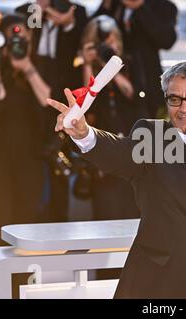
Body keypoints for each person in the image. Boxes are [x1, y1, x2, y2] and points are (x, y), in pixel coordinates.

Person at [48, 61, 186, 298]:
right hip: (157, 289)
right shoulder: (151, 139)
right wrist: (84, 134)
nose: (184, 108)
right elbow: (118, 152)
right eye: (175, 99)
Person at [16, 0, 87, 221]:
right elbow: (23, 44)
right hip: (29, 100)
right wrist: (38, 13)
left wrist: (66, 23)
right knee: (32, 173)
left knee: (59, 174)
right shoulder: (26, 11)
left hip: (62, 93)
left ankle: (58, 221)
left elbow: (78, 49)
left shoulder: (75, 11)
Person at [72, 15, 139, 220]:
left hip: (131, 141)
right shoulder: (84, 66)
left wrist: (112, 66)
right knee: (106, 206)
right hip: (101, 141)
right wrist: (87, 65)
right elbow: (83, 105)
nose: (104, 48)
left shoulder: (129, 62)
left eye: (109, 42)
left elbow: (132, 94)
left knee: (132, 202)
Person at [0, 14, 50, 227]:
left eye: (22, 38)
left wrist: (26, 67)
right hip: (1, 154)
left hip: (31, 154)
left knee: (28, 213)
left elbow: (46, 100)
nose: (18, 44)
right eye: (12, 39)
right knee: (2, 213)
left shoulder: (40, 64)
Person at [94, 0, 177, 119]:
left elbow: (167, 40)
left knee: (146, 128)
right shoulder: (114, 5)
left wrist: (140, 7)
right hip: (115, 78)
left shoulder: (163, 6)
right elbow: (92, 29)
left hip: (146, 81)